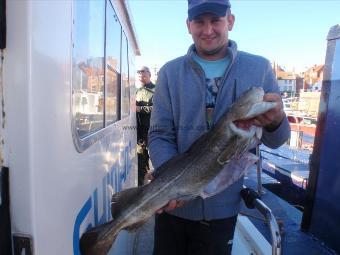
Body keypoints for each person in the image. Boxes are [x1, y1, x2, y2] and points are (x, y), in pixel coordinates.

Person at [148, 0, 290, 254]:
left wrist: (277, 122)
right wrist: (171, 181)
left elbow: (277, 140)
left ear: (230, 21)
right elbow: (160, 134)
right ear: (188, 25)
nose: (208, 30)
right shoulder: (169, 72)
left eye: (215, 20)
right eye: (199, 22)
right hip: (172, 206)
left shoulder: (259, 68)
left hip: (223, 211)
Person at [136, 66, 155, 186]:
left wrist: (140, 108)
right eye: (138, 72)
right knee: (141, 160)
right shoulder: (137, 91)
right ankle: (141, 187)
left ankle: (158, 187)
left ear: (149, 74)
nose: (140, 74)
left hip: (153, 131)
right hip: (139, 132)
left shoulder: (156, 89)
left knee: (156, 159)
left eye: (143, 72)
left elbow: (158, 108)